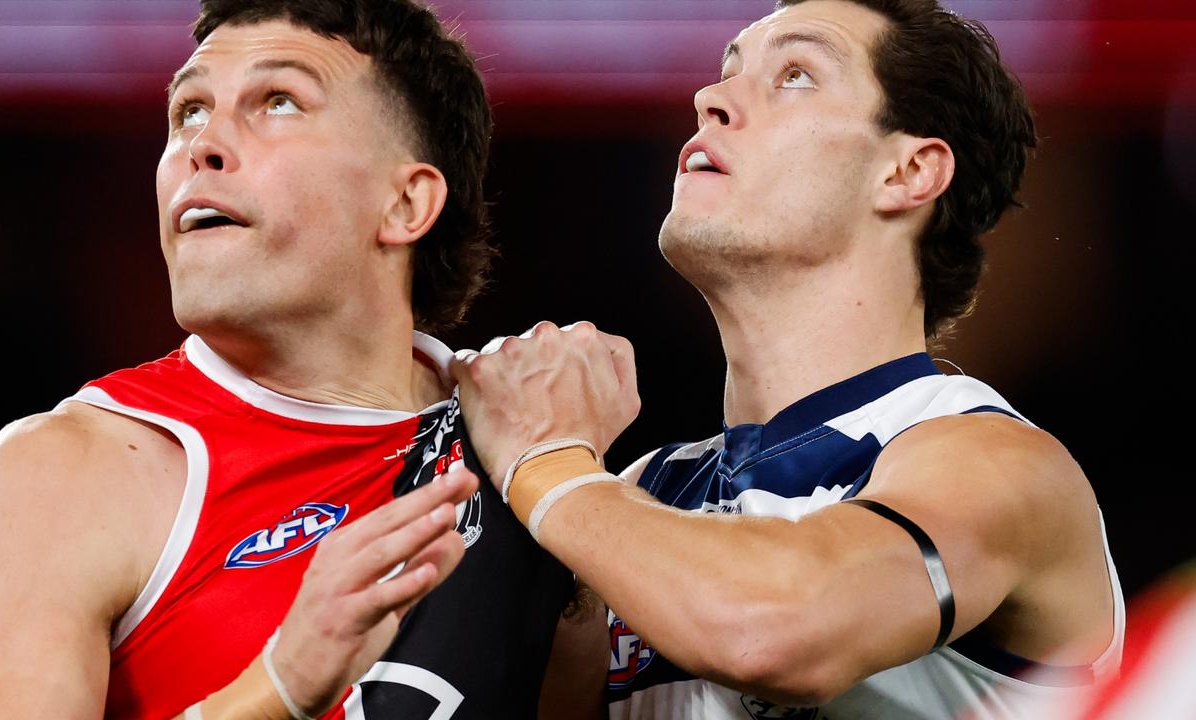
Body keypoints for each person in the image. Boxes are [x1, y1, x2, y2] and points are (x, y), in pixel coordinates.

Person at [451, 1, 1124, 718]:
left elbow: (771, 631)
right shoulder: (642, 490)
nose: (711, 99)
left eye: (796, 74)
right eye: (726, 73)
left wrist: (545, 459)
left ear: (908, 171)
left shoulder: (997, 463)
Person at [0, 1, 571, 718]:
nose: (204, 144)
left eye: (278, 102)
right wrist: (281, 685)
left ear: (405, 203)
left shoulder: (532, 447)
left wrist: (573, 485)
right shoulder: (70, 474)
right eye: (188, 111)